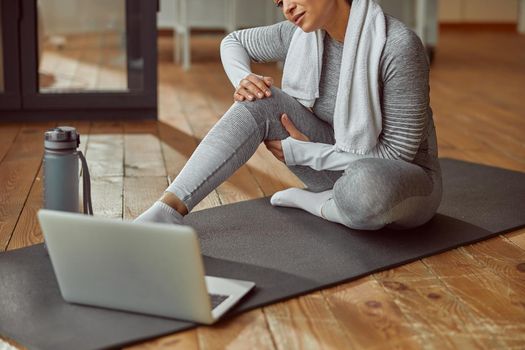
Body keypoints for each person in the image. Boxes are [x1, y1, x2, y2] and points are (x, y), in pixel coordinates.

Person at [135, 0, 442, 230]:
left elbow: (395, 157)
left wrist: (311, 154)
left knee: (368, 186)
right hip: (334, 164)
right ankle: (167, 211)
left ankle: (315, 202)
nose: (287, 8)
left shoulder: (398, 45)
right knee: (258, 100)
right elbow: (233, 42)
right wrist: (244, 79)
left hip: (404, 185)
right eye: (280, 1)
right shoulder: (299, 35)